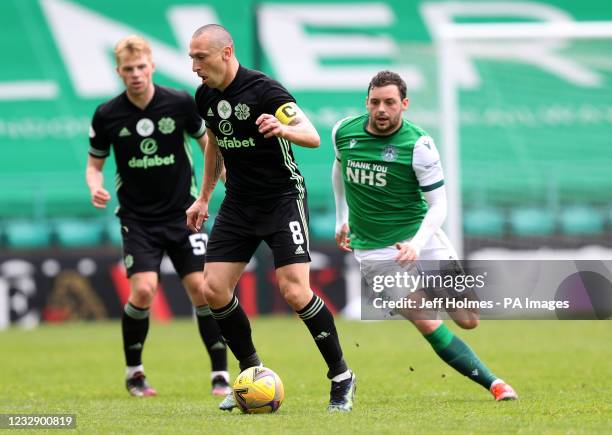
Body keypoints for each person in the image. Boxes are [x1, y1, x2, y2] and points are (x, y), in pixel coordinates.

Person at [185, 24, 356, 412]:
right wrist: (204, 197)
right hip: (239, 204)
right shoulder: (205, 96)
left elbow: (311, 135)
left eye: (201, 57)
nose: (194, 66)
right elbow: (213, 143)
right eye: (191, 57)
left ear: (226, 53)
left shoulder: (265, 90)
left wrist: (283, 128)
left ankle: (342, 377)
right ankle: (251, 374)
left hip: (282, 199)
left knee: (294, 291)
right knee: (213, 290)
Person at [332, 70, 518, 401]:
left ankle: (424, 289)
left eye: (390, 102)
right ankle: (496, 385)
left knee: (469, 319)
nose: (382, 110)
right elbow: (338, 167)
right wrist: (341, 217)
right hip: (376, 254)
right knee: (427, 322)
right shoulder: (344, 132)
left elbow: (439, 205)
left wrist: (417, 244)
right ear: (367, 103)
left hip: (424, 240)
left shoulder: (419, 146)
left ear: (404, 104)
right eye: (375, 102)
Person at [86, 35, 230, 398]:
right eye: (128, 69)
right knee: (144, 290)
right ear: (119, 72)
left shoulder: (179, 102)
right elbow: (94, 164)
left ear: (151, 66)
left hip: (185, 215)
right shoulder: (107, 114)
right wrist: (95, 185)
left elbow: (207, 143)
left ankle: (220, 375)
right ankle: (134, 373)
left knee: (203, 289)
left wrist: (223, 179)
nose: (135, 74)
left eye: (141, 67)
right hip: (138, 220)